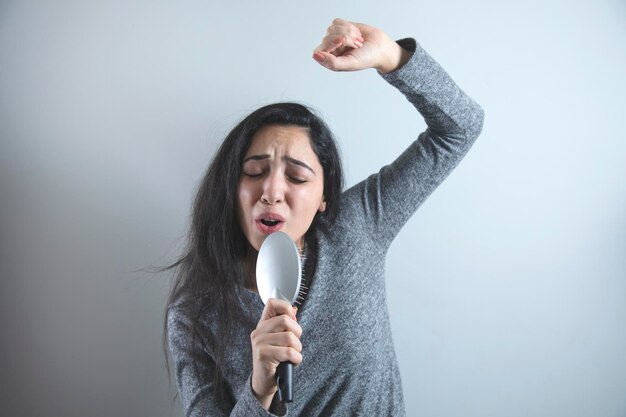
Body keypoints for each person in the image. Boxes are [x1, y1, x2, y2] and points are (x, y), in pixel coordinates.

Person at [165, 18, 484, 416]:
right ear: (231, 186)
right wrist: (258, 388)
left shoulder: (358, 225)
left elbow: (460, 127)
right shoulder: (195, 315)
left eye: (297, 177)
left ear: (323, 199)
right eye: (253, 172)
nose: (272, 191)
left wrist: (390, 56)